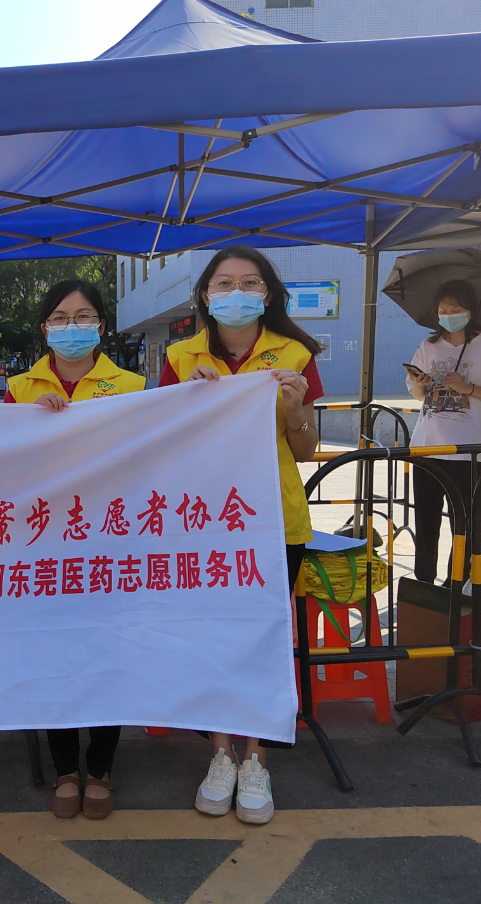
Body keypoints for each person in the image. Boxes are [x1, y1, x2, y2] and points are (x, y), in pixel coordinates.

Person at [159, 245, 324, 826]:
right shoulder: (179, 357)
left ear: (267, 294)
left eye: (249, 283)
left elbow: (305, 450)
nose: (236, 293)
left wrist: (295, 409)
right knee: (213, 635)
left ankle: (256, 759)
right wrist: (186, 402)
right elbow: (163, 444)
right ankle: (221, 755)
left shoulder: (295, 355)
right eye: (224, 284)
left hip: (275, 519)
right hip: (203, 523)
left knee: (264, 638)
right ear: (205, 296)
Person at [4, 278, 144, 820]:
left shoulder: (132, 386)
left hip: (110, 542)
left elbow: (150, 456)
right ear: (44, 328)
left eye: (83, 317)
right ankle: (65, 769)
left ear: (101, 326)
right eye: (60, 318)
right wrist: (30, 427)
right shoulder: (19, 388)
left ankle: (101, 768)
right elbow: (1, 463)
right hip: (43, 545)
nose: (72, 327)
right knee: (54, 656)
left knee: (107, 654)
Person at [406, 279, 481, 585]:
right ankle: (423, 583)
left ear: (470, 311)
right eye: (442, 310)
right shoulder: (428, 346)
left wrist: (468, 388)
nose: (448, 316)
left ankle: (458, 584)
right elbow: (416, 393)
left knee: (465, 524)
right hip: (427, 448)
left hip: (469, 450)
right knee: (425, 521)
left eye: (455, 310)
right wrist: (419, 385)